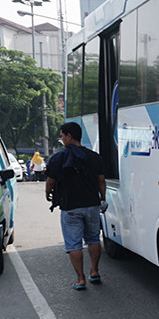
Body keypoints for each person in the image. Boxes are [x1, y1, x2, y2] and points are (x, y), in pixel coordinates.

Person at [45, 123, 106, 291]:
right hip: (92, 205)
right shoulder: (94, 157)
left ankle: (80, 279)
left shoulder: (59, 158)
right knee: (94, 239)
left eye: (62, 136)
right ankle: (94, 271)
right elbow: (101, 180)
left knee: (74, 245)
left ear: (69, 136)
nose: (62, 139)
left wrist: (48, 193)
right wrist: (103, 199)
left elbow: (50, 180)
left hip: (70, 207)